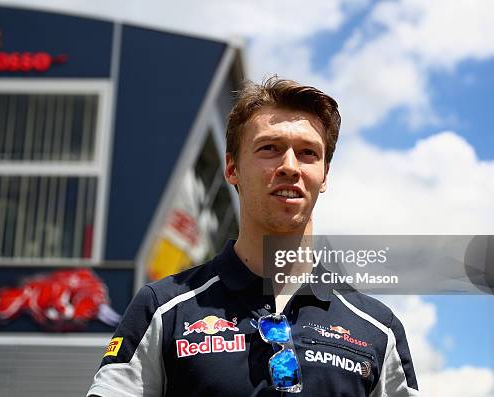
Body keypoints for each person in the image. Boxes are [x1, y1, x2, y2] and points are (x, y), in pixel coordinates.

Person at [87, 77, 419, 396]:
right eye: (270, 148)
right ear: (232, 168)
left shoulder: (378, 329)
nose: (290, 166)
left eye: (308, 153)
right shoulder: (161, 308)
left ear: (324, 175)